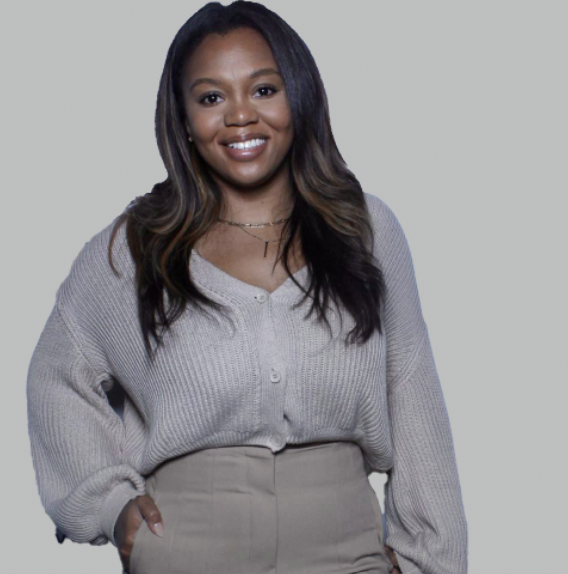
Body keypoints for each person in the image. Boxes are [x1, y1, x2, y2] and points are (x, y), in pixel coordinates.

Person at [26, 2, 468, 573]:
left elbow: (413, 396)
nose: (240, 116)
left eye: (263, 90)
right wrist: (110, 506)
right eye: (211, 98)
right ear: (184, 118)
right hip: (187, 547)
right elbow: (57, 375)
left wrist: (432, 559)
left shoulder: (364, 230)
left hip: (345, 547)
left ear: (298, 97)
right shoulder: (136, 247)